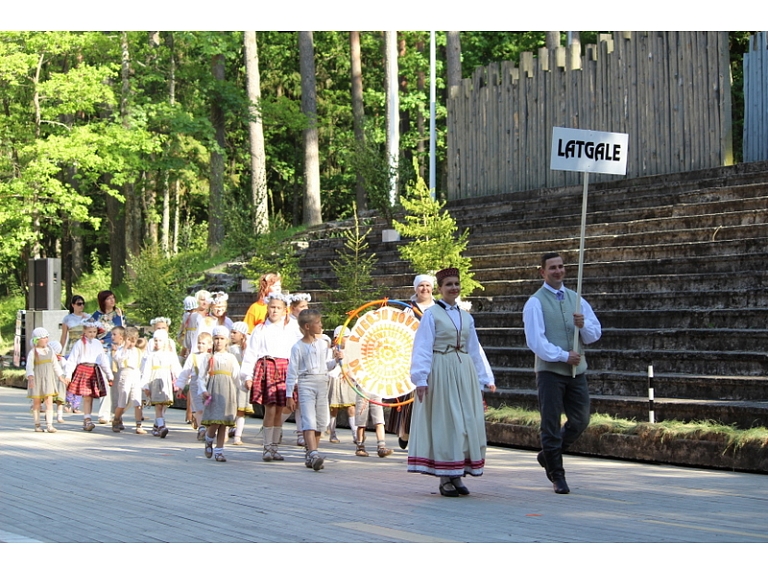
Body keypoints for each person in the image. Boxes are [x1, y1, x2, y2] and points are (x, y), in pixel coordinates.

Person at [407, 267, 496, 497]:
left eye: (456, 284)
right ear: (440, 289)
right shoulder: (431, 315)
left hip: (463, 370)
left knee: (466, 421)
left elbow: (474, 348)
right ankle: (445, 476)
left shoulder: (465, 316)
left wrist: (484, 377)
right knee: (447, 421)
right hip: (441, 369)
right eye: (449, 285)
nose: (453, 288)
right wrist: (420, 378)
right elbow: (423, 346)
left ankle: (457, 473)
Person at [522, 252, 602, 495]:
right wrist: (563, 355)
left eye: (561, 267)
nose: (558, 271)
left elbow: (594, 334)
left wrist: (583, 325)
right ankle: (557, 474)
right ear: (542, 272)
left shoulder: (576, 299)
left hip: (577, 371)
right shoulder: (535, 302)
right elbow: (536, 341)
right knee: (550, 422)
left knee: (581, 420)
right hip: (550, 371)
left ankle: (548, 454)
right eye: (552, 268)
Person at [241, 291, 302, 462]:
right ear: (267, 308)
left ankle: (275, 447)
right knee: (270, 409)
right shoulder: (260, 329)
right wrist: (247, 375)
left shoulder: (292, 328)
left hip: (286, 370)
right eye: (272, 307)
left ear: (285, 310)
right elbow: (251, 353)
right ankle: (267, 448)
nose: (275, 311)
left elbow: (299, 350)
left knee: (283, 408)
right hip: (267, 367)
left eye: (278, 308)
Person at [286, 309, 342, 471]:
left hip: (322, 383)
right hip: (306, 383)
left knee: (321, 421)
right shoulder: (298, 347)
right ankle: (313, 453)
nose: (321, 325)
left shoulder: (323, 344)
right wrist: (289, 394)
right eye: (318, 323)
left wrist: (336, 360)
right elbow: (292, 372)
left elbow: (325, 366)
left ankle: (311, 452)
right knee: (309, 419)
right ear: (308, 326)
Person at [387, 274, 436, 449]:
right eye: (421, 285)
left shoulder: (439, 308)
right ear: (416, 288)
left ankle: (428, 437)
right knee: (410, 397)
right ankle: (405, 432)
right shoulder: (408, 310)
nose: (425, 289)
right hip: (411, 358)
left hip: (434, 358)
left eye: (427, 285)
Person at [199, 326, 241, 463]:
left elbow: (236, 376)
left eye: (222, 339)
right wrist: (203, 390)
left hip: (227, 392)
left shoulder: (231, 358)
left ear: (226, 340)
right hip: (214, 391)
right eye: (216, 339)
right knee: (215, 420)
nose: (219, 342)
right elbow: (201, 376)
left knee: (224, 423)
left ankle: (219, 451)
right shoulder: (209, 357)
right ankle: (209, 438)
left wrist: (241, 389)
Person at [64, 319, 114, 432]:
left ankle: (88, 417)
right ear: (85, 331)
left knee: (90, 396)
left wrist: (109, 375)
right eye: (90, 331)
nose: (92, 334)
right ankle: (87, 419)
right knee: (86, 396)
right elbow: (72, 359)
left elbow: (103, 360)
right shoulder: (80, 343)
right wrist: (68, 374)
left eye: (94, 332)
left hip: (94, 370)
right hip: (83, 369)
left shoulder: (97, 343)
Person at [141, 329, 183, 438]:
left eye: (160, 340)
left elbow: (176, 368)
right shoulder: (152, 356)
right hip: (154, 381)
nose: (157, 343)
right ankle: (161, 426)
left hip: (165, 381)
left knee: (164, 404)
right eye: (155, 340)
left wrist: (181, 382)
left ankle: (156, 425)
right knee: (158, 405)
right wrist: (145, 385)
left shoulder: (170, 355)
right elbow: (146, 371)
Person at [91, 290, 125, 424]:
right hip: (103, 350)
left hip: (117, 349)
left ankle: (115, 412)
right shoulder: (96, 316)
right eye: (108, 299)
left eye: (113, 298)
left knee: (117, 381)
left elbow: (123, 329)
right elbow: (90, 332)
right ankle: (103, 413)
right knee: (105, 381)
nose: (112, 301)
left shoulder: (118, 313)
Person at [26, 328, 68, 433]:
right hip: (37, 380)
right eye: (44, 338)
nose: (46, 339)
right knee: (37, 403)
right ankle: (37, 425)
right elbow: (29, 366)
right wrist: (30, 377)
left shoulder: (50, 350)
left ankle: (49, 425)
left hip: (48, 379)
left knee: (49, 402)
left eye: (47, 337)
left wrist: (61, 376)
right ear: (37, 339)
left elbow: (55, 365)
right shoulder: (33, 352)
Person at [177, 332, 213, 441]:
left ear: (209, 345)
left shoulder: (211, 357)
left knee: (208, 407)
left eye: (203, 343)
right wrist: (180, 387)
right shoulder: (192, 357)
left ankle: (208, 428)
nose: (200, 345)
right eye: (199, 343)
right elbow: (185, 372)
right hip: (195, 383)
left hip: (208, 383)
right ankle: (201, 428)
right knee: (199, 407)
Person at [111, 327, 147, 434]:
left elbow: (143, 365)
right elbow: (118, 359)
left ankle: (139, 424)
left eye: (133, 340)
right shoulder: (121, 350)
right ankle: (116, 420)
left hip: (135, 375)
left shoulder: (138, 352)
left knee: (137, 401)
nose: (131, 343)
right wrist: (125, 347)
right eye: (129, 340)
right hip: (125, 374)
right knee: (122, 401)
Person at [60, 294, 90, 413]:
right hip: (71, 348)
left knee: (81, 377)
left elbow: (95, 332)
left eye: (82, 304)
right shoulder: (67, 319)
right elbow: (63, 337)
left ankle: (76, 404)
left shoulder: (87, 317)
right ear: (73, 305)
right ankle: (68, 401)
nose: (81, 306)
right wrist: (59, 351)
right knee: (70, 376)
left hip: (84, 349)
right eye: (78, 304)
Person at [327, 325, 356, 443]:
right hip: (335, 379)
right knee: (334, 408)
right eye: (345, 337)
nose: (348, 339)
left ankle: (355, 435)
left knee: (351, 407)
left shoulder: (351, 351)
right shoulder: (331, 351)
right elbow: (328, 365)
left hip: (348, 380)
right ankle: (332, 433)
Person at [227, 321, 252, 445]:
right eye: (231, 332)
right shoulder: (229, 348)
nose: (231, 335)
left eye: (234, 332)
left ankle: (238, 435)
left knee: (240, 410)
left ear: (242, 335)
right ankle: (226, 432)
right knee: (229, 408)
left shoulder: (246, 349)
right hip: (231, 381)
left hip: (241, 381)